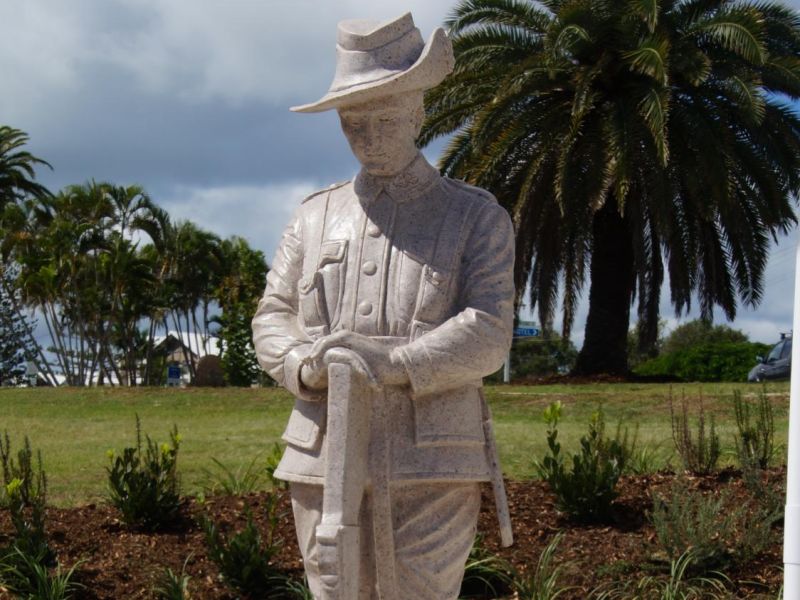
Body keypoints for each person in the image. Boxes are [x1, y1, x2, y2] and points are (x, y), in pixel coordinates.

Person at [252, 13, 514, 600]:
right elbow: (273, 314)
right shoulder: (313, 217)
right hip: (321, 458)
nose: (370, 137)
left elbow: (490, 329)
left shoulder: (475, 216)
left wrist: (393, 363)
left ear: (420, 113)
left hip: (434, 461)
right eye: (353, 124)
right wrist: (302, 364)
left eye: (386, 119)